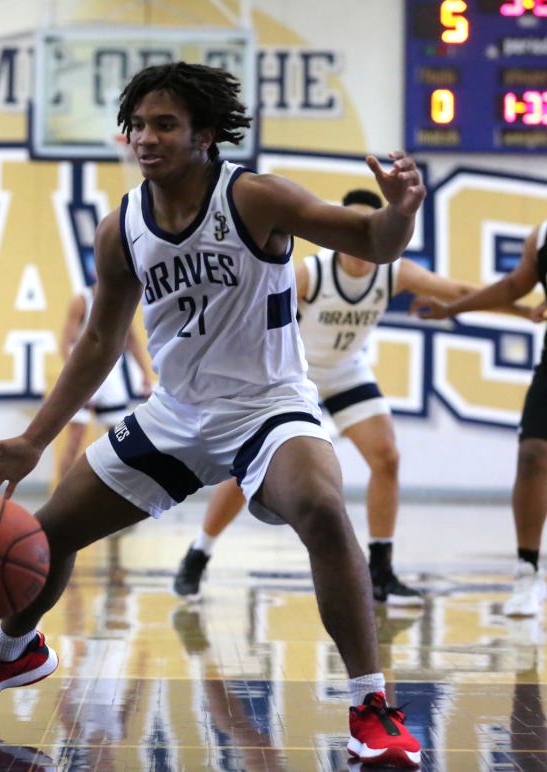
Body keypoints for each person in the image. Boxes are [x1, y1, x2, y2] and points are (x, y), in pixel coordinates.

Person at [0, 62, 424, 767]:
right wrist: (36, 439)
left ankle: (371, 705)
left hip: (267, 405)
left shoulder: (254, 197)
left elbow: (371, 241)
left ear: (204, 134)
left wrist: (399, 213)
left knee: (320, 506)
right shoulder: (121, 228)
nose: (146, 138)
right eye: (137, 125)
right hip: (175, 414)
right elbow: (99, 340)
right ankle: (13, 652)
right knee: (46, 534)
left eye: (164, 124)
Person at [172, 189, 542, 605]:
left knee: (387, 457)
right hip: (295, 376)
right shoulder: (312, 273)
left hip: (346, 370)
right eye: (353, 229)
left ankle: (381, 571)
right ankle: (199, 553)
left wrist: (522, 312)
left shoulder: (393, 271)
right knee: (250, 470)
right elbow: (249, 314)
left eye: (369, 229)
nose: (361, 239)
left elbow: (457, 290)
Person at [412, 221, 547, 617]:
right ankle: (527, 572)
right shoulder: (540, 236)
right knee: (533, 453)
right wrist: (452, 309)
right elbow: (512, 286)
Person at [57, 281, 154, 479]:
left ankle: (117, 488)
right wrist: (77, 379)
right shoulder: (82, 301)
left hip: (111, 376)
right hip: (84, 373)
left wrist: (145, 373)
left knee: (122, 436)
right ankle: (61, 490)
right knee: (76, 438)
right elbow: (65, 345)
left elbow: (132, 338)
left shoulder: (123, 300)